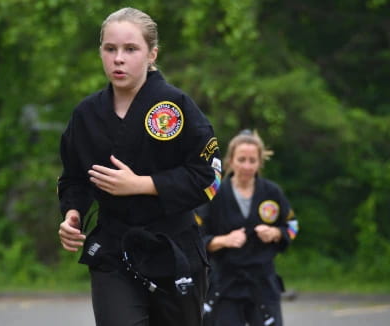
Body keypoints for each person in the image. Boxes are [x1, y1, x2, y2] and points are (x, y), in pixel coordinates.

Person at [57, 7, 222, 326]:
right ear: (101, 52)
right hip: (114, 252)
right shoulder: (86, 115)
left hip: (175, 249)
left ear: (152, 54)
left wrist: (145, 184)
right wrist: (72, 214)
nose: (119, 58)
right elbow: (74, 179)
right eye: (110, 48)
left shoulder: (176, 107)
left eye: (130, 49)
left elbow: (211, 178)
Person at [196, 130, 299, 326]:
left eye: (252, 160)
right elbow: (196, 238)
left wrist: (276, 233)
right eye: (241, 159)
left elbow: (292, 226)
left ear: (260, 162)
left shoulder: (272, 192)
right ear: (230, 160)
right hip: (225, 284)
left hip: (262, 284)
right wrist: (223, 240)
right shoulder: (215, 193)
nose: (247, 166)